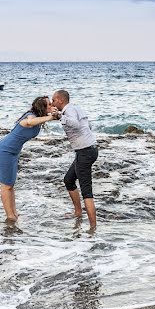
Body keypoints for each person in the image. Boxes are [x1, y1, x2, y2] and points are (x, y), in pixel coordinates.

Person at [0, 96, 57, 223]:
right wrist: (51, 117)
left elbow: (55, 117)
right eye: (49, 104)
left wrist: (56, 114)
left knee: (10, 185)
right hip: (5, 150)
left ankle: (14, 213)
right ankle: (10, 216)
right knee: (5, 186)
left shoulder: (39, 117)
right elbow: (29, 122)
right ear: (42, 108)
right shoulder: (30, 116)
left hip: (13, 152)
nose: (51, 105)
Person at [50, 89, 99, 231]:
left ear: (60, 100)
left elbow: (75, 125)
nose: (53, 103)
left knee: (86, 191)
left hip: (85, 152)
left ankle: (92, 229)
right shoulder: (75, 108)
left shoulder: (68, 111)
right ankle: (78, 212)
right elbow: (86, 126)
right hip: (88, 149)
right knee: (69, 180)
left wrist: (59, 116)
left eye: (53, 100)